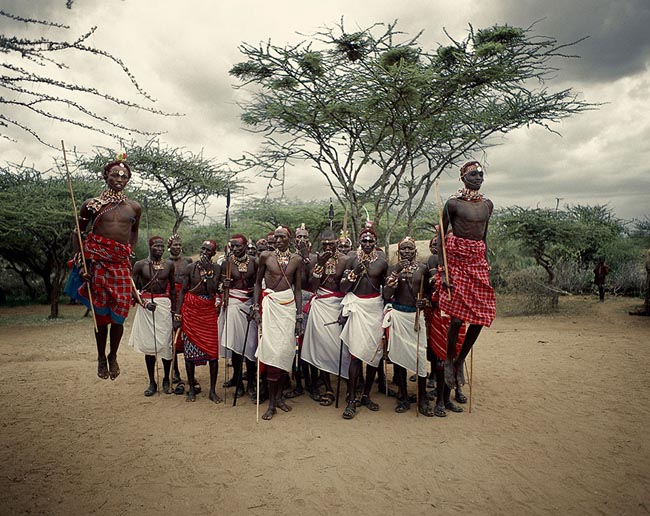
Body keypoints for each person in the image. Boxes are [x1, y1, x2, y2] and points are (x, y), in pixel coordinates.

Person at [72, 155, 141, 381]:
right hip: (98, 263)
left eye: (124, 176)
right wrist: (83, 262)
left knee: (119, 315)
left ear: (128, 180)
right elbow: (78, 234)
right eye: (115, 175)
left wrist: (128, 250)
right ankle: (101, 357)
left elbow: (133, 233)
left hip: (121, 264)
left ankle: (113, 355)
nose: (119, 179)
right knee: (101, 317)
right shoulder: (92, 205)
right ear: (105, 176)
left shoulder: (134, 207)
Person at [439, 161, 496, 390]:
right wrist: (444, 271)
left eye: (481, 174)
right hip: (456, 262)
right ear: (463, 177)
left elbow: (484, 237)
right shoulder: (453, 204)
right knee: (456, 318)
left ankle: (460, 359)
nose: (478, 177)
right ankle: (449, 360)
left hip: (477, 262)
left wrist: (486, 264)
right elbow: (442, 238)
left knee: (483, 316)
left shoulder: (487, 205)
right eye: (473, 174)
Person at [253, 225, 302, 420]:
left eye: (282, 237)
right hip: (271, 306)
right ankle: (271, 404)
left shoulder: (296, 260)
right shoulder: (266, 256)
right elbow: (257, 283)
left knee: (285, 352)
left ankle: (280, 398)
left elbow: (298, 289)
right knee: (272, 352)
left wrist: (298, 316)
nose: (279, 240)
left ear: (289, 239)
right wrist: (256, 308)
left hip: (288, 308)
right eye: (276, 237)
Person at [339, 222, 388, 419]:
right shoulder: (351, 260)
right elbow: (343, 288)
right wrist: (356, 272)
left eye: (371, 241)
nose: (367, 243)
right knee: (355, 354)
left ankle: (366, 394)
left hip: (375, 309)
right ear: (360, 241)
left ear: (375, 242)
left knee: (374, 356)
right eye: (364, 240)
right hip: (358, 308)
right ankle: (351, 399)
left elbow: (388, 290)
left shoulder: (382, 263)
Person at [382, 237, 434, 416]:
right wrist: (396, 272)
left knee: (419, 356)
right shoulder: (392, 269)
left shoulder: (423, 269)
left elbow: (429, 293)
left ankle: (422, 397)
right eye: (403, 249)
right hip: (398, 316)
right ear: (398, 251)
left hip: (416, 317)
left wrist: (424, 301)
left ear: (415, 251)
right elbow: (386, 295)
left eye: (410, 249)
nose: (406, 252)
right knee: (399, 357)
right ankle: (403, 396)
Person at [302, 229, 350, 407]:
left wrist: (345, 310)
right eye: (325, 245)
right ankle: (329, 389)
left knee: (343, 347)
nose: (328, 247)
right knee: (322, 348)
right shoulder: (315, 259)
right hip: (321, 306)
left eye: (331, 244)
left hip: (339, 305)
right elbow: (313, 287)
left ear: (337, 242)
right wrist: (319, 266)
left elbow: (347, 288)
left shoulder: (346, 260)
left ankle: (350, 387)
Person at [174, 240, 222, 403]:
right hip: (191, 311)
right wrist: (178, 315)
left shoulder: (216, 268)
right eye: (203, 248)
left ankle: (213, 391)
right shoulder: (190, 268)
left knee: (213, 353)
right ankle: (191, 390)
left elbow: (212, 291)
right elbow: (182, 292)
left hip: (207, 312)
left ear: (213, 254)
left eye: (208, 250)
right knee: (189, 352)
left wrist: (208, 273)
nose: (204, 252)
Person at [130, 236, 176, 396]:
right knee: (150, 347)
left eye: (162, 246)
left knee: (166, 344)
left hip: (164, 306)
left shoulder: (169, 265)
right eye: (157, 246)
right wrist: (144, 303)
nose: (160, 249)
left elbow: (174, 291)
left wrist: (175, 313)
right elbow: (132, 288)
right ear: (150, 247)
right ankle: (152, 381)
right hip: (147, 308)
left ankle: (165, 378)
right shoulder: (140, 265)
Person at [427, 231, 466, 417]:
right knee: (441, 361)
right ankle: (440, 402)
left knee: (454, 358)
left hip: (458, 319)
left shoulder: (465, 268)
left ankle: (448, 398)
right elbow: (431, 294)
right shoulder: (436, 266)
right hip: (440, 317)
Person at [284, 223, 320, 401]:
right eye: (299, 237)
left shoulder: (316, 259)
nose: (302, 240)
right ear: (294, 240)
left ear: (310, 240)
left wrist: (307, 260)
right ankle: (298, 384)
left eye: (305, 237)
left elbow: (314, 285)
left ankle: (313, 385)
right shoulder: (288, 258)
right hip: (293, 304)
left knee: (311, 345)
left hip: (312, 306)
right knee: (295, 346)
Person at [219, 234, 258, 399]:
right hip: (233, 304)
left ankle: (250, 381)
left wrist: (255, 306)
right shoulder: (226, 264)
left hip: (249, 304)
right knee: (235, 345)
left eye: (238, 247)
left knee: (250, 345)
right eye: (232, 246)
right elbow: (219, 286)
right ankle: (239, 384)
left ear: (245, 246)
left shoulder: (254, 262)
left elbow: (257, 285)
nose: (235, 249)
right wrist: (224, 286)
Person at [166, 233, 193, 389]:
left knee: (187, 336)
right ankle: (175, 373)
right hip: (171, 299)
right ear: (169, 246)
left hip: (185, 299)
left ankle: (190, 374)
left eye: (179, 245)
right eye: (174, 245)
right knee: (172, 338)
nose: (177, 247)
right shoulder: (165, 263)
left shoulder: (188, 261)